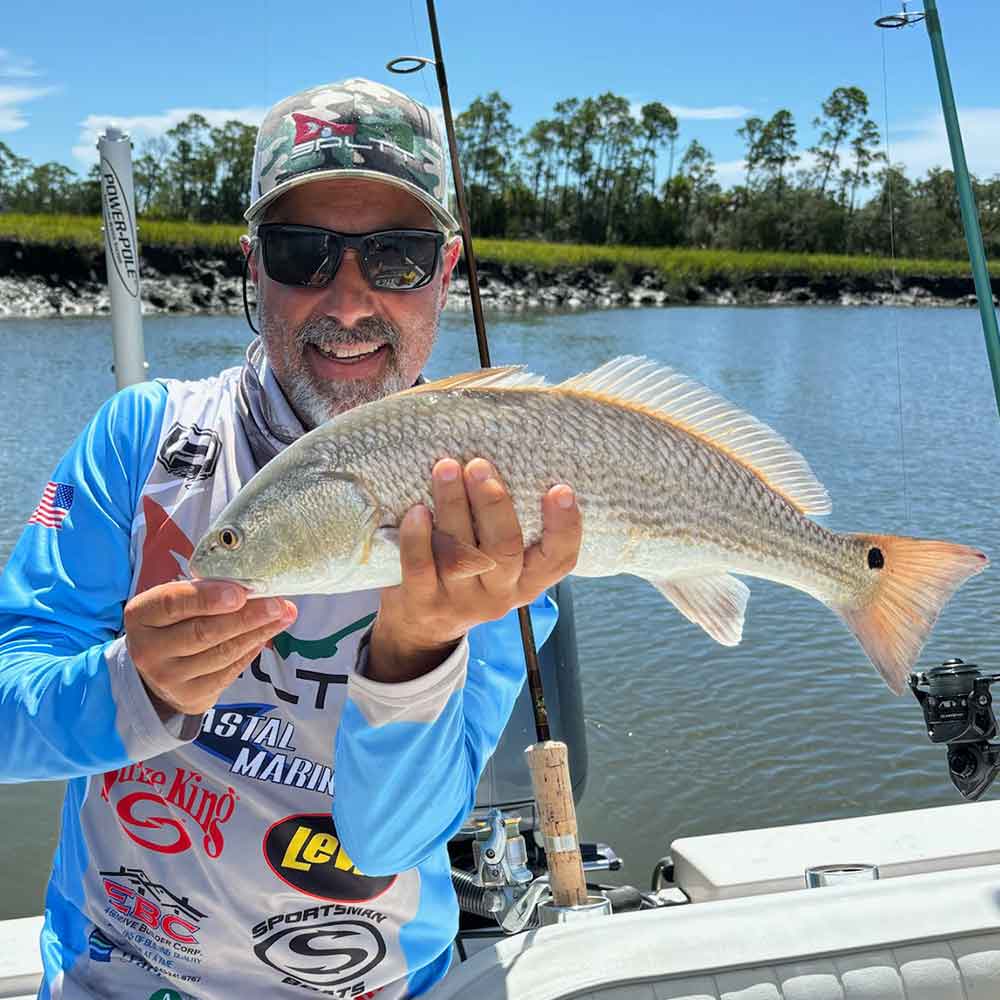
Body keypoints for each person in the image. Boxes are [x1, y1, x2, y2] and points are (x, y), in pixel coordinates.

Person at [0, 78, 582, 1000]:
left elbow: (395, 843)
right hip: (117, 974)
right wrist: (130, 684)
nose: (348, 301)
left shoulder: (495, 509)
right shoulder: (140, 441)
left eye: (397, 256)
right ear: (250, 264)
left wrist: (417, 654)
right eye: (301, 251)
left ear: (447, 269)